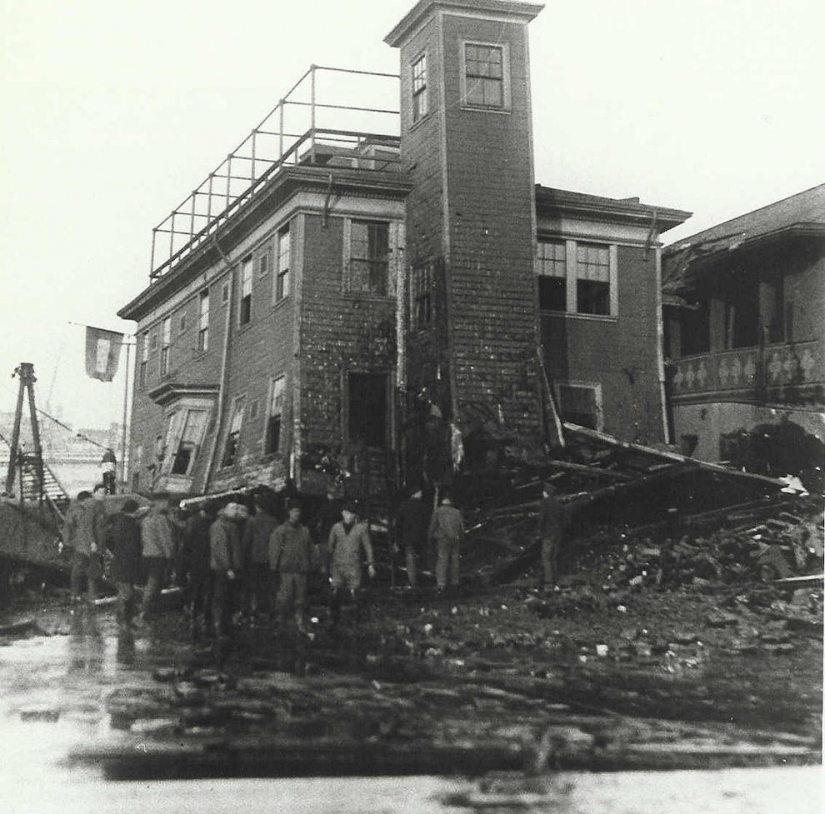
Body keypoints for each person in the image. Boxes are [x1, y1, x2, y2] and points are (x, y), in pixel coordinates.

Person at [269, 499, 315, 632]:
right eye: (294, 511)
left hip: (301, 570)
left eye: (298, 511)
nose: (296, 514)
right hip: (286, 570)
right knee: (284, 599)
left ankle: (300, 624)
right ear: (289, 513)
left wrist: (312, 564)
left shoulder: (305, 531)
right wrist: (274, 567)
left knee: (301, 600)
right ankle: (279, 623)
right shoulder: (281, 531)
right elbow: (274, 550)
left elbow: (311, 549)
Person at [328, 503, 375, 625]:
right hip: (338, 565)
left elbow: (368, 546)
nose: (349, 516)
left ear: (355, 516)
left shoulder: (361, 529)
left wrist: (370, 564)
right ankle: (334, 620)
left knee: (354, 592)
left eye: (352, 514)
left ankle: (356, 621)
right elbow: (330, 546)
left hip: (354, 565)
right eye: (347, 513)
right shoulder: (336, 528)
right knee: (335, 591)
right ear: (343, 513)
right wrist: (329, 564)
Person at [104, 498, 142, 629]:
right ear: (135, 511)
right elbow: (134, 545)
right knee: (126, 593)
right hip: (127, 563)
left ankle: (126, 619)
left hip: (120, 561)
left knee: (127, 591)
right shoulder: (132, 525)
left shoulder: (119, 523)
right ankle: (122, 619)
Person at [180, 501, 216, 637]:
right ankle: (198, 615)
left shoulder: (192, 521)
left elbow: (185, 544)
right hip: (202, 561)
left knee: (196, 589)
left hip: (196, 560)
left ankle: (193, 614)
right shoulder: (207, 522)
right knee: (202, 589)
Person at [64, 490, 105, 604]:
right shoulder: (92, 507)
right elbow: (91, 527)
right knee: (92, 570)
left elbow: (69, 526)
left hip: (78, 544)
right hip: (90, 544)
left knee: (78, 570)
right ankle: (92, 595)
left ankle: (75, 594)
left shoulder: (73, 510)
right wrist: (93, 542)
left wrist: (68, 542)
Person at [210, 502, 244, 638]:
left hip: (230, 568)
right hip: (223, 569)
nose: (236, 511)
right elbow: (220, 549)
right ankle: (219, 627)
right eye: (233, 508)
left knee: (227, 597)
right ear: (224, 509)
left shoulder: (229, 525)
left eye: (237, 508)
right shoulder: (220, 526)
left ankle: (224, 626)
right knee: (221, 597)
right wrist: (228, 568)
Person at [243, 491, 278, 623]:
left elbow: (246, 541)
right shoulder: (274, 521)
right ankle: (270, 612)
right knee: (268, 586)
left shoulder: (252, 521)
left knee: (255, 586)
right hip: (269, 559)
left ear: (257, 506)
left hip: (255, 558)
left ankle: (255, 612)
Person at [140, 493, 175, 620]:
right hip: (158, 556)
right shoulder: (160, 519)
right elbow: (165, 539)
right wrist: (170, 556)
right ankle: (145, 611)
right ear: (160, 502)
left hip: (147, 554)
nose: (168, 505)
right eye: (166, 502)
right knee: (154, 584)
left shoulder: (146, 518)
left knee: (152, 584)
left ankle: (149, 610)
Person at [428, 492, 465, 594]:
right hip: (455, 539)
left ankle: (441, 584)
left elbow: (432, 526)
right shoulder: (457, 512)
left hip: (442, 539)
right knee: (455, 561)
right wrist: (461, 537)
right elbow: (462, 527)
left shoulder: (438, 512)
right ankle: (455, 582)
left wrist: (429, 537)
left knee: (442, 561)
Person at [395, 486, 430, 588]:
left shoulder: (404, 506)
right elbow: (428, 522)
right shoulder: (424, 507)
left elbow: (398, 523)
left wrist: (397, 539)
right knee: (422, 557)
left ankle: (412, 581)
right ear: (418, 493)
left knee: (410, 559)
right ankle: (425, 578)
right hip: (421, 537)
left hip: (408, 538)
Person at [536, 481, 564, 591]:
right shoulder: (558, 503)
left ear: (546, 492)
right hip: (558, 533)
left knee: (546, 558)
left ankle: (548, 585)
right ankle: (555, 583)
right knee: (553, 558)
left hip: (548, 534)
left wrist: (539, 530)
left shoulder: (545, 502)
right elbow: (563, 518)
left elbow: (542, 519)